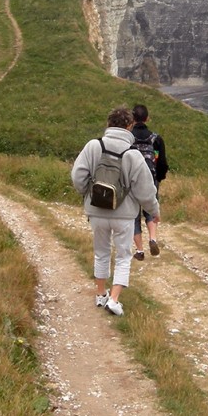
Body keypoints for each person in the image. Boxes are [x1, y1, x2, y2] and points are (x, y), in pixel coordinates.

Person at [71, 107, 160, 316]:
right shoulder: (133, 154)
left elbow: (78, 176)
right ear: (129, 126)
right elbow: (146, 191)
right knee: (123, 256)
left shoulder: (94, 146)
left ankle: (101, 294)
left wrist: (88, 194)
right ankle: (114, 299)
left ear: (108, 123)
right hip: (124, 215)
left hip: (97, 212)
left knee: (101, 252)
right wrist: (154, 211)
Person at [130, 104, 169, 260]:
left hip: (131, 180)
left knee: (134, 215)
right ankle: (152, 238)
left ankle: (139, 251)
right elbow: (162, 162)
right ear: (147, 118)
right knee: (151, 210)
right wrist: (159, 178)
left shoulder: (128, 138)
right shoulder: (155, 139)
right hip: (151, 180)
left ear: (132, 119)